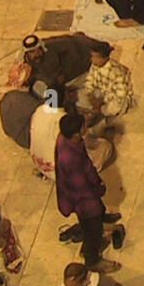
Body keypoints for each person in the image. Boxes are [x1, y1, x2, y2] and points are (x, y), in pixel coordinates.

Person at [55, 112, 121, 273]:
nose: (87, 127)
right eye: (84, 126)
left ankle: (100, 219)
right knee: (93, 229)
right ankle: (92, 259)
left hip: (88, 189)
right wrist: (98, 188)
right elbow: (82, 188)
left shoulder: (68, 139)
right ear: (77, 133)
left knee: (95, 216)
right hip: (83, 199)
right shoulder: (68, 158)